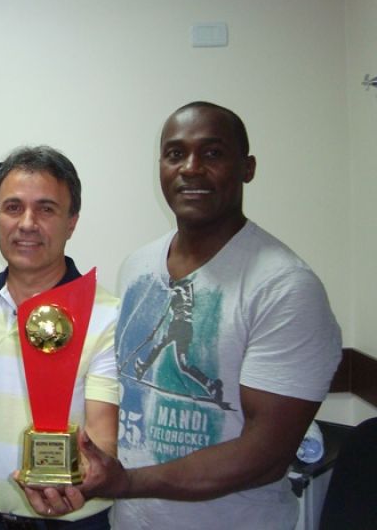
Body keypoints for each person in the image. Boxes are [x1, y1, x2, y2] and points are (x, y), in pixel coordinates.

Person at [21, 102, 343, 529]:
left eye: (212, 153)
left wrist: (127, 482)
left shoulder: (284, 287)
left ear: (247, 168)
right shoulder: (137, 265)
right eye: (175, 154)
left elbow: (266, 458)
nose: (191, 168)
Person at [0, 146, 120, 529]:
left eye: (46, 209)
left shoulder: (108, 314)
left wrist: (84, 483)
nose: (27, 223)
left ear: (72, 222)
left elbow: (103, 434)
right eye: (13, 207)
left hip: (75, 521)